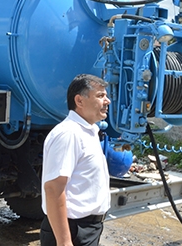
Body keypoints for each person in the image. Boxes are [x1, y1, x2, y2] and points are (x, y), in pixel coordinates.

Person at [41, 74, 111, 246]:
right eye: (100, 96)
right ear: (79, 101)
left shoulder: (88, 131)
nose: (107, 101)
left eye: (106, 95)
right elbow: (53, 189)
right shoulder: (69, 134)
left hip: (87, 229)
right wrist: (64, 242)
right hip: (73, 231)